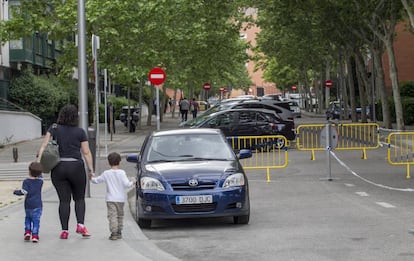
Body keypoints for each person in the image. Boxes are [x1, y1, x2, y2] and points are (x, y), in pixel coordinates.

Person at [37, 104, 95, 240]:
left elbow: (44, 146)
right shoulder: (80, 132)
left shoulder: (54, 128)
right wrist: (91, 169)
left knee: (64, 201)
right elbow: (86, 152)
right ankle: (80, 224)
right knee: (79, 198)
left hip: (58, 167)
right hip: (76, 167)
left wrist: (38, 164)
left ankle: (64, 230)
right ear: (76, 117)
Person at [89, 152, 135, 240]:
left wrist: (91, 178)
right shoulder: (122, 173)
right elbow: (127, 184)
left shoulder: (106, 173)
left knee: (112, 215)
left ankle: (114, 233)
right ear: (119, 162)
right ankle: (119, 231)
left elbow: (96, 180)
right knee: (120, 215)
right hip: (120, 199)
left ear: (109, 162)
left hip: (110, 199)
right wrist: (133, 182)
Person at [13, 162, 44, 243]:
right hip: (38, 205)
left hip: (28, 205)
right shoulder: (40, 182)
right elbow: (40, 176)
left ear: (29, 171)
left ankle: (27, 232)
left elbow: (24, 192)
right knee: (36, 220)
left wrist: (15, 192)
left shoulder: (26, 181)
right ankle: (35, 235)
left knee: (28, 218)